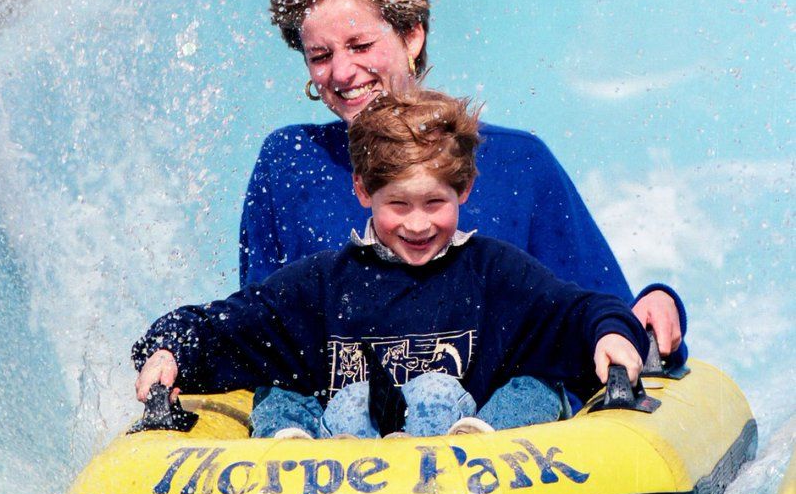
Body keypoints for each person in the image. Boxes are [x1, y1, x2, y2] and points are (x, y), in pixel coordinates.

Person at [239, 0, 685, 355]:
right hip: (336, 424)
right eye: (320, 55)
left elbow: (602, 314)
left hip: (496, 426)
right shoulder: (290, 162)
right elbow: (258, 329)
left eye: (359, 46)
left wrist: (656, 304)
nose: (340, 72)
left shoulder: (517, 162)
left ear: (412, 35)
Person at [133, 88, 660, 440]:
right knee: (277, 388)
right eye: (398, 206)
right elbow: (232, 324)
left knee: (534, 389)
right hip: (343, 465)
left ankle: (483, 443)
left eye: (435, 204)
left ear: (465, 190)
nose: (417, 224)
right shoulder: (323, 284)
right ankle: (289, 452)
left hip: (474, 468)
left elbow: (575, 310)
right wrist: (170, 348)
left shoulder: (494, 274)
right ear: (363, 192)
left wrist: (610, 335)